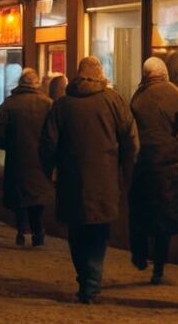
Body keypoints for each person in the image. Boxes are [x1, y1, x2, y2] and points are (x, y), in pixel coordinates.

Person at [40, 57, 139, 304]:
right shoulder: (113, 101)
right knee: (99, 229)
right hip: (105, 178)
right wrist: (127, 170)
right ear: (100, 75)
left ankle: (85, 278)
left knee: (77, 230)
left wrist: (50, 171)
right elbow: (131, 139)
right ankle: (92, 282)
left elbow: (48, 143)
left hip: (71, 179)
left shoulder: (62, 105)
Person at [128, 57, 178, 285]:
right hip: (168, 163)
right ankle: (159, 267)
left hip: (142, 163)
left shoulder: (137, 97)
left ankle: (140, 255)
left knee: (140, 212)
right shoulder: (175, 94)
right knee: (165, 218)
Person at [0, 68, 54, 246]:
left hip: (16, 159)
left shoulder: (9, 104)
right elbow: (54, 133)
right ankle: (38, 230)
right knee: (37, 196)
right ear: (36, 84)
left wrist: (9, 145)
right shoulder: (48, 104)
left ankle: (22, 228)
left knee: (20, 196)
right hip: (41, 161)